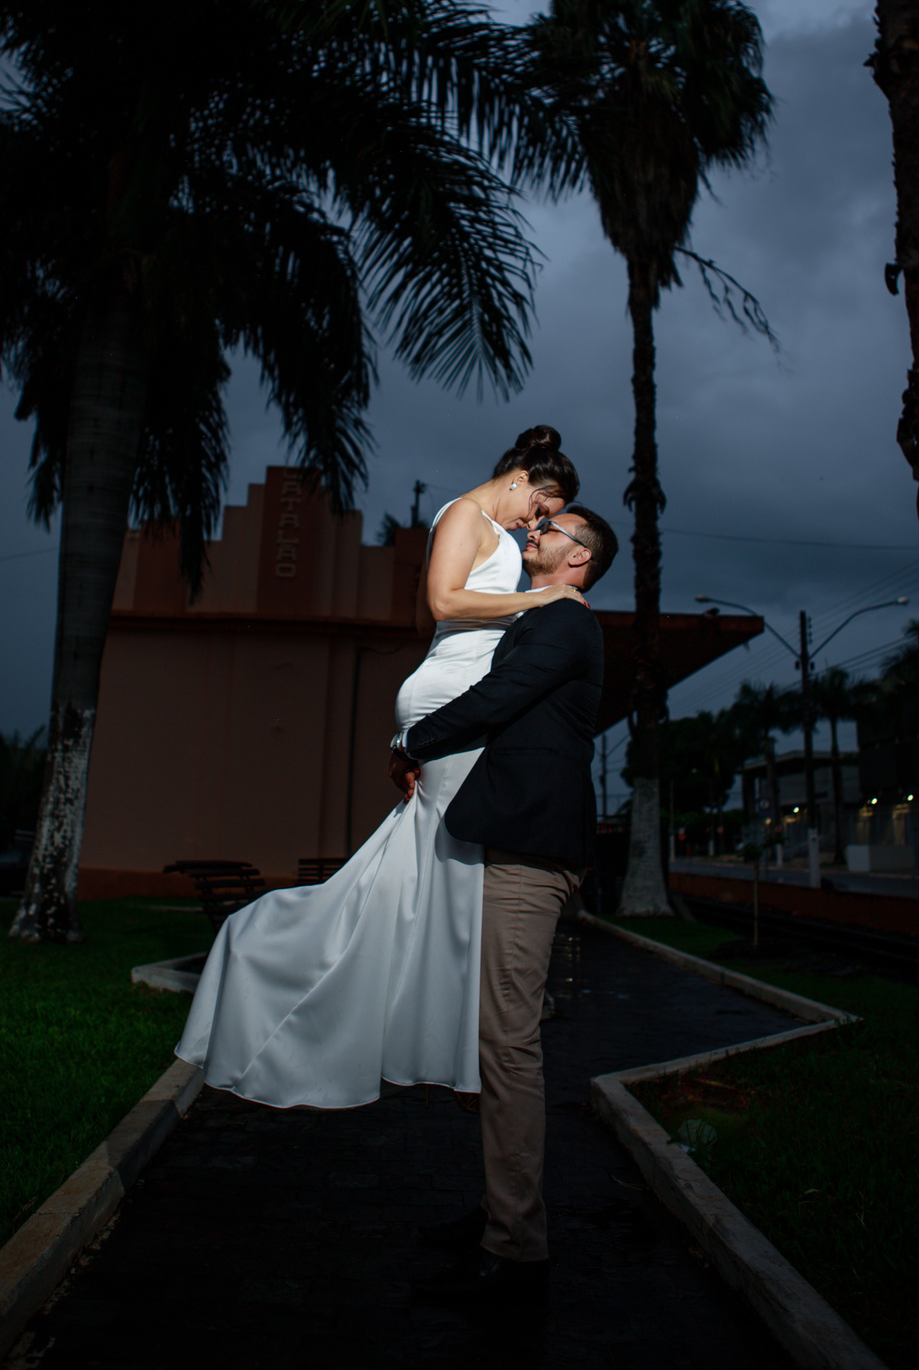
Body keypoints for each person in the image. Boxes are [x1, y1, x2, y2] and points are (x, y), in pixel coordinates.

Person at [174, 424, 584, 1109]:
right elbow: (444, 604)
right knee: (454, 860)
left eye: (546, 520)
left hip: (457, 692)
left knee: (428, 862)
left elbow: (452, 622)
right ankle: (299, 966)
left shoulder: (489, 528)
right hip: (451, 694)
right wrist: (537, 601)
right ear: (520, 480)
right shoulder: (465, 514)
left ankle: (425, 1030)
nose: (534, 525)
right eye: (539, 507)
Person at [392, 503, 620, 1305]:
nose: (535, 533)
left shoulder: (567, 622)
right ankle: (501, 1209)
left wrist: (411, 742)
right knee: (492, 1039)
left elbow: (499, 698)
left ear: (579, 559)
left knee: (508, 1044)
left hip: (531, 848)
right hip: (509, 840)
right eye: (537, 525)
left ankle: (518, 1243)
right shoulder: (541, 617)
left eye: (551, 531)